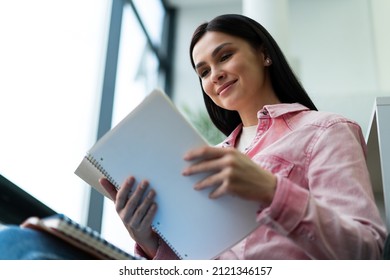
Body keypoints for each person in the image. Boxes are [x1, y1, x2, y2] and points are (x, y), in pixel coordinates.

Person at [0, 14, 387, 260]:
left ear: (264, 54)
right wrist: (150, 240)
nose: (213, 75)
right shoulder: (210, 154)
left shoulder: (325, 131)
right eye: (202, 71)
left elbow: (366, 252)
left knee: (25, 251)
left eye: (224, 56)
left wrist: (272, 191)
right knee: (25, 242)